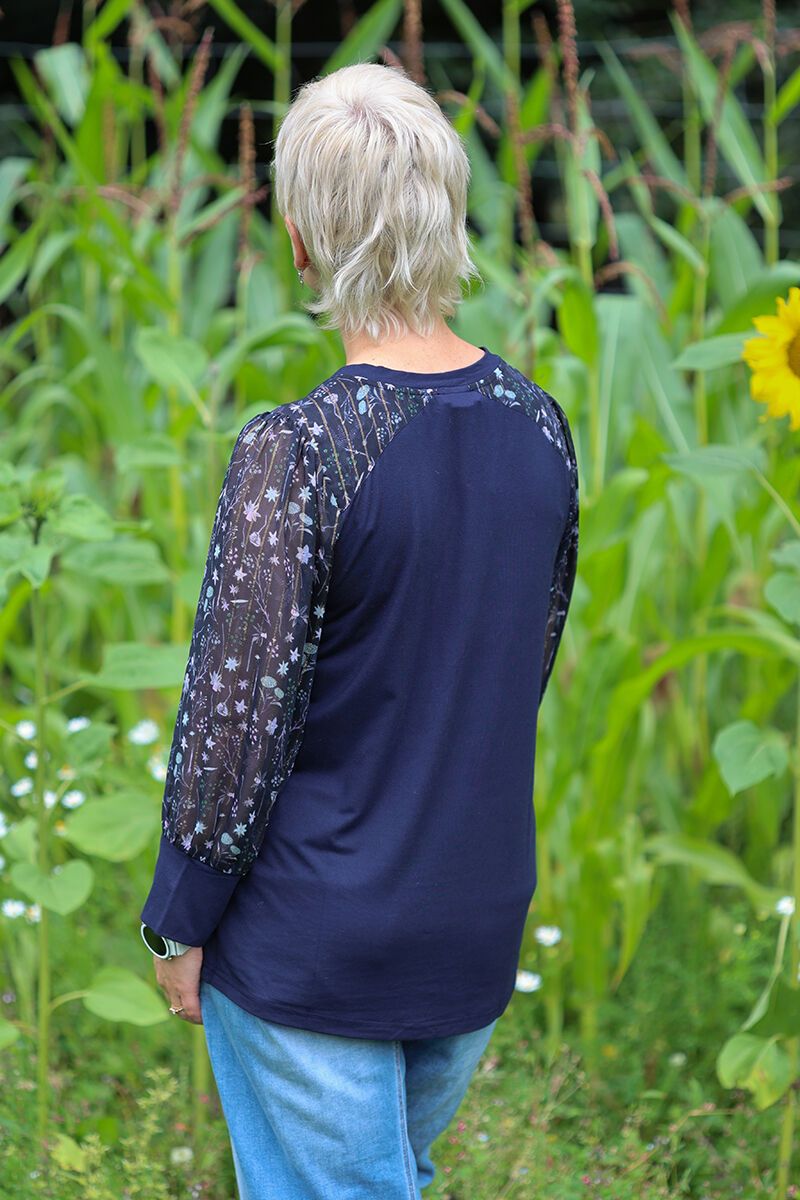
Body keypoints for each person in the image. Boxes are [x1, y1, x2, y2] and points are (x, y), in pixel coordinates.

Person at [139, 59, 579, 1200]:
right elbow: (517, 669)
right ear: (450, 212)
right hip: (470, 927)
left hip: (313, 943)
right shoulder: (540, 428)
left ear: (299, 237)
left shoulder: (297, 452)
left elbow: (236, 722)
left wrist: (177, 919)